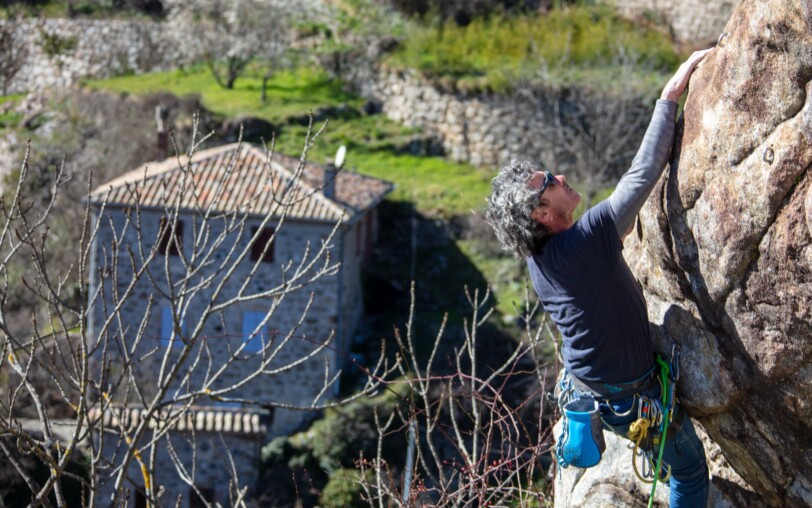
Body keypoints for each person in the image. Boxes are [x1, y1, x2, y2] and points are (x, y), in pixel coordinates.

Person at [485, 48, 713, 507]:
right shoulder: (584, 241)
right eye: (549, 179)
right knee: (689, 470)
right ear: (543, 213)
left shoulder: (540, 257)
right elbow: (642, 175)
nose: (561, 175)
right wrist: (669, 97)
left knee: (666, 454)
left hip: (590, 392)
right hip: (629, 394)